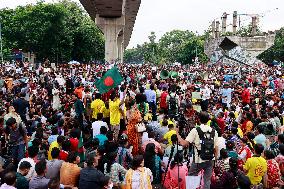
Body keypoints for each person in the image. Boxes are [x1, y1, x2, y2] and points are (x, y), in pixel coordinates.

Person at [176, 111, 218, 189]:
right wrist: (215, 161)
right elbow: (216, 148)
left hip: (198, 160)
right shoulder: (214, 131)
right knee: (207, 180)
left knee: (191, 177)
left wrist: (177, 133)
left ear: (198, 119)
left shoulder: (195, 130)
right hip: (210, 159)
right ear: (208, 120)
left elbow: (183, 143)